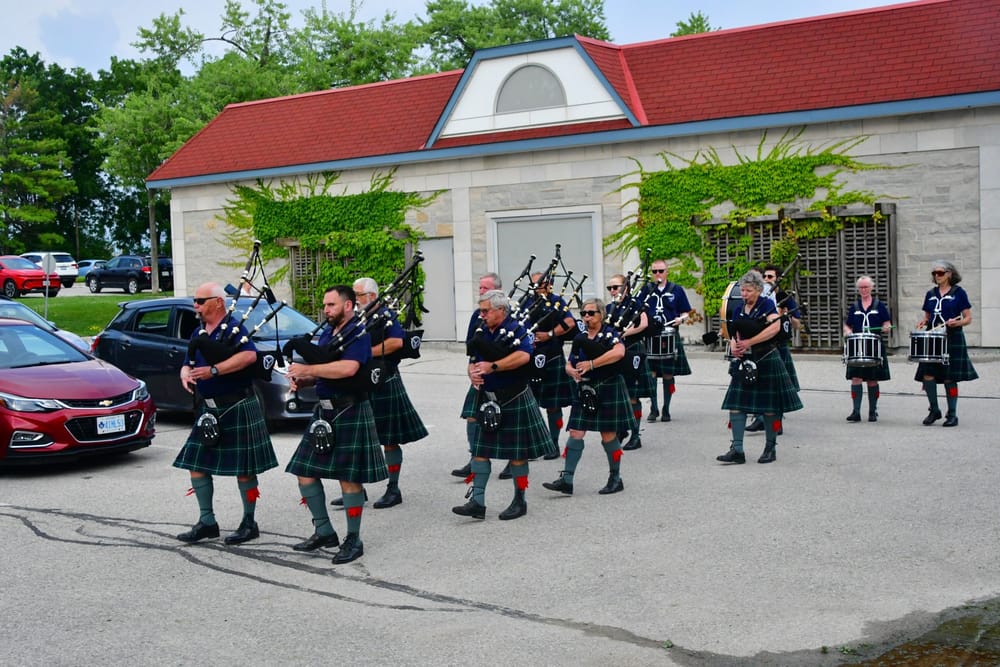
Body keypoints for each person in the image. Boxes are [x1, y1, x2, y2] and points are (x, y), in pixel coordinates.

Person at [285, 285, 387, 564]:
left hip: (350, 409)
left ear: (348, 306)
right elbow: (327, 370)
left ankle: (353, 539)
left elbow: (348, 368)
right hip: (325, 411)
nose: (326, 310)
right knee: (304, 472)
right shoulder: (329, 333)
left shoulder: (360, 334)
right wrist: (306, 380)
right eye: (325, 305)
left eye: (331, 305)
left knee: (349, 479)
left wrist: (308, 369)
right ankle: (324, 531)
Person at [173, 282, 278, 545]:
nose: (195, 305)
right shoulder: (199, 330)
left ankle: (248, 522)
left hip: (236, 405)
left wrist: (215, 371)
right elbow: (189, 361)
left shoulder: (233, 329)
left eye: (200, 300)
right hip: (208, 409)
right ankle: (207, 521)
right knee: (196, 466)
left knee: (244, 470)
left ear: (218, 302)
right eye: (194, 301)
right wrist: (185, 372)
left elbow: (249, 357)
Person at [327, 277, 429, 509]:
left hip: (384, 380)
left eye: (358, 295)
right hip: (360, 382)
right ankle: (356, 488)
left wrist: (362, 352)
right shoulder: (354, 318)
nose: (354, 299)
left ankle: (393, 488)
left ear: (372, 296)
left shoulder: (386, 315)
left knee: (389, 439)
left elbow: (396, 342)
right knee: (356, 437)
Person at [453, 289, 552, 521]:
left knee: (518, 455)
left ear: (501, 310)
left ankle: (520, 499)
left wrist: (493, 367)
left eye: (486, 311)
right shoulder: (482, 330)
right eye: (481, 310)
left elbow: (524, 357)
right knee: (479, 452)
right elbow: (474, 359)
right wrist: (472, 372)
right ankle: (477, 501)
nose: (482, 314)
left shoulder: (517, 329)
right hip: (487, 397)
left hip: (513, 396)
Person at [716, 270, 803, 465]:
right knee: (736, 406)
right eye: (743, 290)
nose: (744, 294)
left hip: (766, 358)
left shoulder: (767, 305)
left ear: (757, 289)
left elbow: (775, 328)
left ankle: (770, 448)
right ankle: (737, 450)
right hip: (745, 361)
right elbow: (733, 330)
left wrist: (750, 342)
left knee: (769, 408)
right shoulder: (739, 308)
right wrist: (735, 346)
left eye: (747, 290)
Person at [543, 298, 628, 496]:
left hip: (608, 387)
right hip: (585, 389)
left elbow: (619, 353)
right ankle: (567, 479)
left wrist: (592, 364)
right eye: (583, 314)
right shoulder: (580, 337)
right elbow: (570, 362)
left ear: (601, 314)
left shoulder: (610, 333)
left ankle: (615, 478)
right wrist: (570, 370)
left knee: (608, 435)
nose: (587, 317)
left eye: (591, 313)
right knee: (575, 432)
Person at [913, 260, 978, 427]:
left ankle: (952, 414)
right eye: (934, 273)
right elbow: (928, 317)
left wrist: (958, 323)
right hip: (932, 338)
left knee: (950, 377)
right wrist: (923, 323)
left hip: (952, 338)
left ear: (949, 274)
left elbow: (968, 318)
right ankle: (934, 410)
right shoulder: (931, 294)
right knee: (928, 375)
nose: (937, 276)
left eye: (940, 273)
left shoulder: (959, 293)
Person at [452, 272, 503, 478]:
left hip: (504, 377)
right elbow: (471, 348)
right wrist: (471, 371)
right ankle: (475, 458)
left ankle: (513, 459)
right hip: (481, 375)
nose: (481, 291)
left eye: (485, 288)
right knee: (472, 416)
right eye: (480, 288)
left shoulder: (510, 315)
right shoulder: (476, 315)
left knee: (506, 421)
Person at [525, 272, 577, 461]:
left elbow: (570, 322)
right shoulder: (526, 302)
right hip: (529, 358)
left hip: (552, 356)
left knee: (552, 405)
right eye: (534, 284)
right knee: (530, 405)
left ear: (549, 284)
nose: (538, 287)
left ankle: (553, 444)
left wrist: (549, 334)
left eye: (541, 283)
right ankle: (533, 444)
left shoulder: (557, 301)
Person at [746, 265, 800, 433]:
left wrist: (785, 313)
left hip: (780, 345)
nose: (767, 280)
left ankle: (775, 424)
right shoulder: (760, 299)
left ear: (777, 279)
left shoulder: (784, 297)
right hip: (763, 345)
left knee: (777, 388)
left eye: (770, 277)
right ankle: (761, 418)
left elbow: (798, 325)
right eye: (765, 277)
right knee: (761, 385)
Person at [637, 259, 692, 422]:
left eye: (661, 271)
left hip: (669, 333)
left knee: (668, 374)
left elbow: (686, 312)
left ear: (667, 272)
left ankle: (666, 409)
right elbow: (638, 310)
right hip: (650, 335)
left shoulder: (677, 290)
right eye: (654, 271)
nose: (658, 274)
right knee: (651, 374)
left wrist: (681, 320)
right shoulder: (645, 290)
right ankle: (653, 408)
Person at [606, 274, 651, 450]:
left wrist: (624, 334)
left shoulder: (637, 304)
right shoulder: (609, 307)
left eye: (615, 287)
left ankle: (635, 434)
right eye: (610, 288)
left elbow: (644, 324)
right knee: (618, 394)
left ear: (626, 287)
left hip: (633, 350)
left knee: (633, 395)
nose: (612, 291)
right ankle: (621, 428)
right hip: (615, 352)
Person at [843, 275, 892, 422]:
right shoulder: (855, 307)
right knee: (856, 378)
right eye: (861, 287)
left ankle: (872, 411)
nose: (864, 290)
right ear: (858, 289)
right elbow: (847, 324)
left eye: (866, 287)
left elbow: (887, 323)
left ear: (872, 287)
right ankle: (856, 412)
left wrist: (886, 328)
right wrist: (847, 331)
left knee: (872, 379)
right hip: (857, 346)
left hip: (874, 346)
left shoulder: (879, 305)